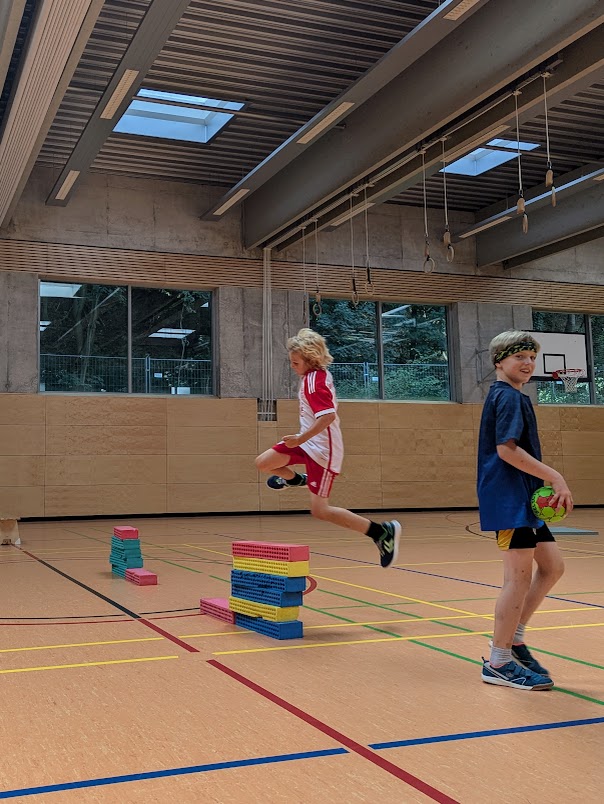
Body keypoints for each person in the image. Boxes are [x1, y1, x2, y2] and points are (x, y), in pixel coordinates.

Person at [255, 328, 401, 568]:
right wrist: (301, 439)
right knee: (264, 463)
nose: (292, 366)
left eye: (295, 362)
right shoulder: (312, 376)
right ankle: (296, 480)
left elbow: (328, 417)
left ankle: (381, 533)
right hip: (307, 441)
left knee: (320, 510)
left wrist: (300, 439)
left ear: (310, 360)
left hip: (323, 451)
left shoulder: (315, 382)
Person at [477, 330, 573, 690]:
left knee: (552, 567)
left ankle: (514, 640)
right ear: (499, 360)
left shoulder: (514, 396)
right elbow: (506, 450)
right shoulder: (507, 397)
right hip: (508, 498)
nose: (528, 363)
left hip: (523, 497)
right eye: (520, 357)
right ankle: (498, 662)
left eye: (532, 357)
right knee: (516, 579)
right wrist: (555, 476)